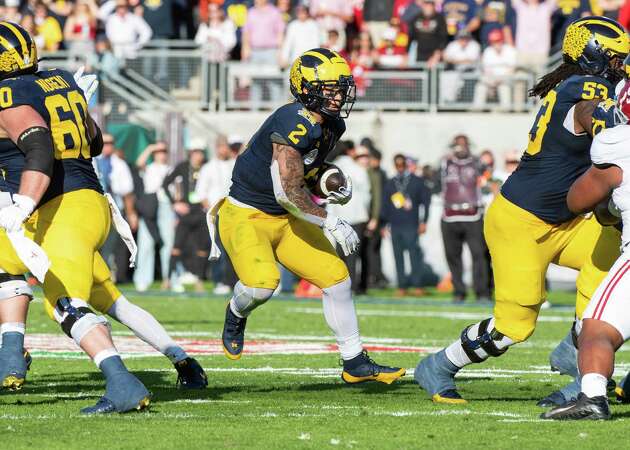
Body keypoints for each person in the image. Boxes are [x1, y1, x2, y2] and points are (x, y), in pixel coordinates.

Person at [414, 16, 628, 406]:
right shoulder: (583, 87)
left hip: (565, 220)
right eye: (616, 59)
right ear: (594, 57)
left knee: (614, 254)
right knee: (514, 326)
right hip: (520, 222)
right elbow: (591, 114)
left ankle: (578, 350)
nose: (622, 65)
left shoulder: (590, 84)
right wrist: (611, 124)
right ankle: (439, 365)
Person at [216, 48, 405, 383]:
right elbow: (285, 190)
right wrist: (328, 219)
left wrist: (332, 179)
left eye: (341, 87)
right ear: (305, 87)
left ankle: (354, 362)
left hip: (286, 219)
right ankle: (235, 312)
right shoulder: (293, 121)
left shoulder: (332, 124)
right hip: (247, 215)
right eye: (330, 88)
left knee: (337, 278)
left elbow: (309, 169)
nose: (338, 95)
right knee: (261, 286)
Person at [0, 22, 148, 412]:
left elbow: (38, 145)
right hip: (75, 200)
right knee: (5, 267)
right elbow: (95, 142)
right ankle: (11, 355)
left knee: (64, 303)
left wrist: (25, 203)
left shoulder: (9, 93)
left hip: (59, 205)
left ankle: (123, 383)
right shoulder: (60, 79)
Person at [542, 81, 630, 420]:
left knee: (595, 331)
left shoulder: (617, 143)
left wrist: (608, 208)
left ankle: (592, 397)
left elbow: (577, 200)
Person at [440, 135, 490, 302]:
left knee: (478, 255)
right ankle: (459, 291)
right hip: (449, 215)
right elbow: (433, 180)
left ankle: (481, 292)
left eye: (463, 145)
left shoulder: (477, 162)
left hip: (472, 215)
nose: (460, 148)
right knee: (453, 256)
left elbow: (489, 181)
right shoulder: (444, 162)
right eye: (457, 145)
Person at [381, 154, 432, 296]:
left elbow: (426, 203)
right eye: (397, 165)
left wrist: (424, 221)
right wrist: (383, 225)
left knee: (414, 256)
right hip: (395, 225)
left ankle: (417, 285)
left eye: (402, 164)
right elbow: (384, 205)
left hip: (412, 225)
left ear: (406, 164)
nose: (400, 168)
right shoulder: (390, 183)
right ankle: (401, 286)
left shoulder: (417, 181)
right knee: (398, 256)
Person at [162, 141, 208, 293]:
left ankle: (199, 280)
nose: (198, 155)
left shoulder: (207, 167)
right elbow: (165, 183)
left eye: (200, 152)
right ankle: (167, 279)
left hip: (201, 211)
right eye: (195, 152)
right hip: (185, 211)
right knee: (176, 247)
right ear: (190, 152)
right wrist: (175, 203)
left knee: (202, 248)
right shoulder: (182, 166)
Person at [196, 135, 238, 295]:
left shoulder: (234, 164)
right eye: (220, 146)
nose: (223, 149)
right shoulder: (209, 167)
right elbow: (201, 192)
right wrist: (210, 211)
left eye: (225, 146)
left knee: (232, 248)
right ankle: (219, 281)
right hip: (215, 213)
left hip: (232, 212)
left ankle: (232, 281)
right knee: (218, 248)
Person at [329, 144, 372, 295]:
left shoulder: (332, 169)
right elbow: (367, 194)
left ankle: (342, 285)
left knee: (341, 253)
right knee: (354, 254)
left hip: (339, 217)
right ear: (349, 151)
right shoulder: (358, 169)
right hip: (358, 216)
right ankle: (354, 286)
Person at [133, 142, 174, 292]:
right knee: (146, 244)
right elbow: (139, 164)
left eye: (163, 150)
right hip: (150, 206)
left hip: (166, 205)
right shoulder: (149, 168)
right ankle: (142, 279)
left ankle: (169, 279)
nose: (161, 153)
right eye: (158, 151)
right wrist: (151, 148)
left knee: (168, 244)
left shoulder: (171, 169)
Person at [472, 28, 517, 111]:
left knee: (504, 87)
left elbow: (511, 69)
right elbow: (486, 70)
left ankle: (505, 109)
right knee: (481, 85)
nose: (496, 43)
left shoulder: (510, 50)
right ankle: (477, 109)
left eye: (498, 41)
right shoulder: (488, 51)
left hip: (506, 78)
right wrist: (493, 81)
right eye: (493, 41)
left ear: (502, 40)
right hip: (491, 78)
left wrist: (500, 79)